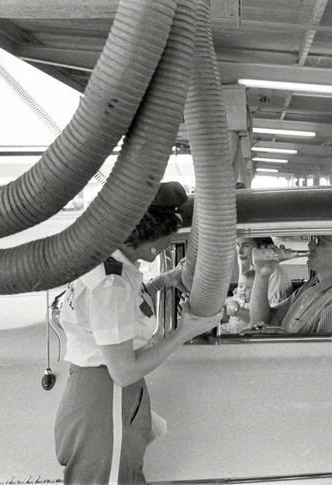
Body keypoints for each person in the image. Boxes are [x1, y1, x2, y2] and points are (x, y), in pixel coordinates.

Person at [54, 182, 222, 484]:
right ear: (154, 238)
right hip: (108, 397)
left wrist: (162, 282)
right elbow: (124, 370)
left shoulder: (110, 267)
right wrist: (184, 331)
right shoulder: (112, 284)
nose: (169, 246)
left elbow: (119, 312)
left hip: (101, 393)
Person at [250, 235, 332, 333]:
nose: (310, 245)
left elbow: (328, 355)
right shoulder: (312, 284)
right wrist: (262, 275)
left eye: (319, 240)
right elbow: (262, 323)